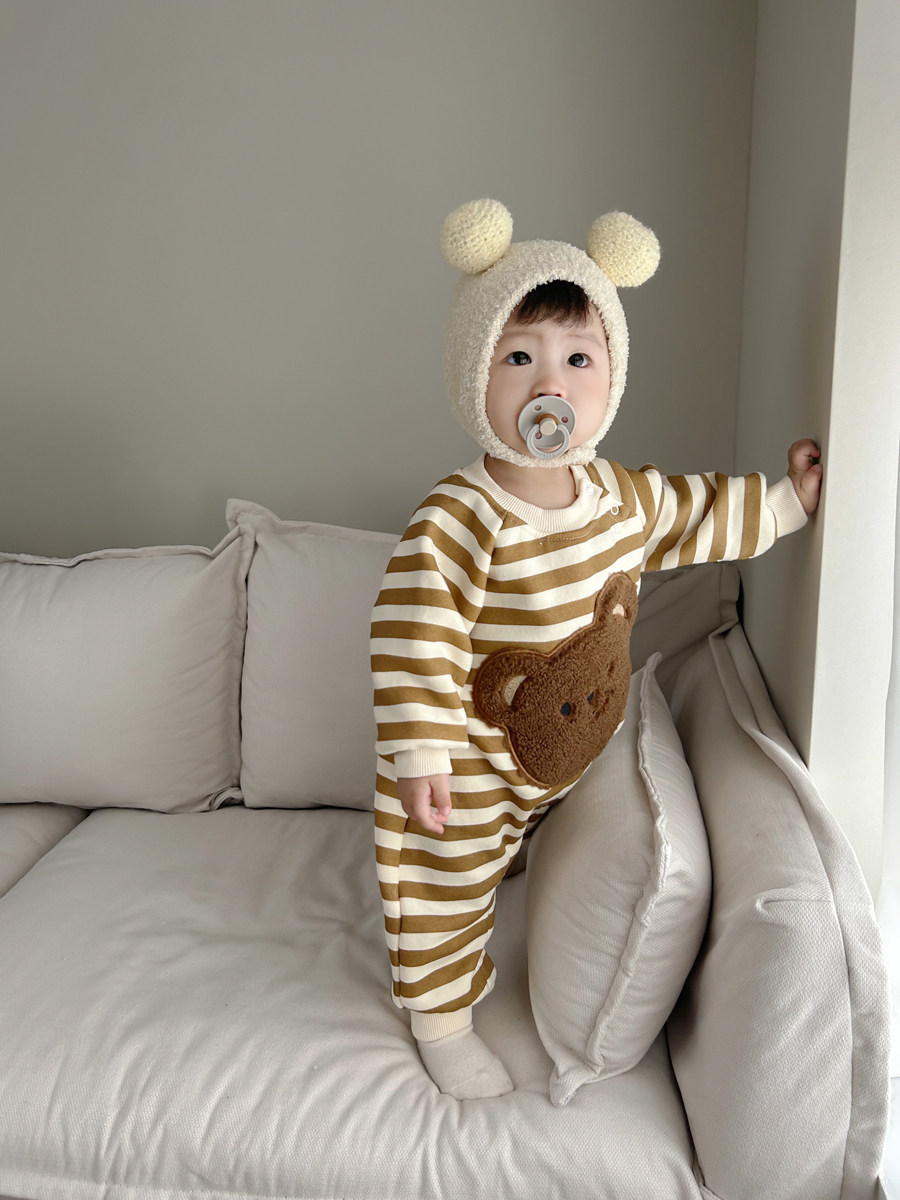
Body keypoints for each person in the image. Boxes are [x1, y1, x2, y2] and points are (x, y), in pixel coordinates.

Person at [370, 198, 822, 1100]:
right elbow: (414, 631)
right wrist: (421, 755)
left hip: (568, 752)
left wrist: (784, 505)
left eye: (578, 359)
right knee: (443, 881)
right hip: (471, 763)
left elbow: (692, 512)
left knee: (525, 848)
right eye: (519, 359)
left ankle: (518, 854)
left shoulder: (617, 497)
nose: (552, 383)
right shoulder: (459, 517)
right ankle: (440, 1019)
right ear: (473, 375)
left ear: (610, 380)